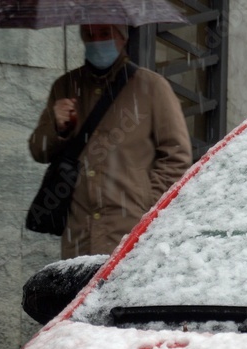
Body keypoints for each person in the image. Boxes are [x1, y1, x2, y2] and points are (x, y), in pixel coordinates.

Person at [29, 24, 193, 258]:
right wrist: (56, 126)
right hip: (79, 234)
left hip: (131, 232)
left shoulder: (151, 87)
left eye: (105, 33)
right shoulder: (65, 86)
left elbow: (177, 155)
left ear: (122, 37)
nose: (97, 41)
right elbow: (38, 150)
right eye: (89, 34)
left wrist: (147, 202)